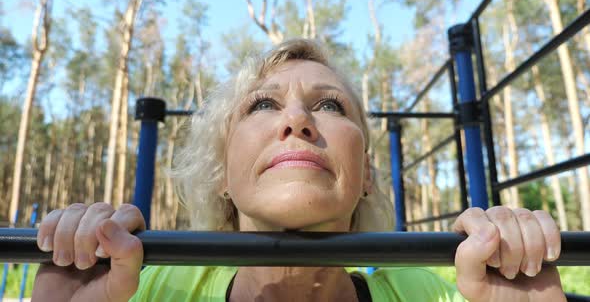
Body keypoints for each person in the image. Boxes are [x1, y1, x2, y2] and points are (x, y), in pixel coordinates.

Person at [31, 39, 565, 301]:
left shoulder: (447, 297)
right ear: (222, 172)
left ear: (367, 176)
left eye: (330, 106)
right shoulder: (132, 294)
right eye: (262, 105)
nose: (297, 120)